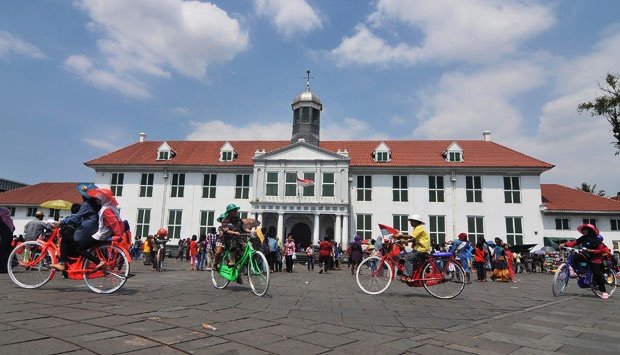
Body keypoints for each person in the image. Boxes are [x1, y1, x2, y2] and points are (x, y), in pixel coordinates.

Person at [51, 183, 100, 272]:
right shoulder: (94, 205)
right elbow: (77, 218)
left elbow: (76, 218)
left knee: (65, 239)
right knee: (74, 244)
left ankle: (62, 263)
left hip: (86, 231)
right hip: (92, 229)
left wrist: (61, 222)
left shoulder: (86, 204)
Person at [560, 223, 611, 299]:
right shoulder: (583, 238)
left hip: (595, 259)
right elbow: (573, 243)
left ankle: (604, 291)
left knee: (596, 273)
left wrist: (591, 250)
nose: (582, 231)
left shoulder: (596, 239)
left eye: (584, 229)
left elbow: (601, 250)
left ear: (590, 230)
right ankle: (573, 271)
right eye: (582, 230)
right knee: (574, 257)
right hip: (586, 256)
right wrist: (564, 244)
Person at [398, 214, 431, 282]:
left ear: (417, 222)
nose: (410, 223)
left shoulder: (419, 228)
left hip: (421, 249)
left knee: (408, 258)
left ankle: (408, 276)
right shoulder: (416, 228)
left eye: (412, 221)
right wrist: (406, 241)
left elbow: (411, 236)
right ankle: (412, 274)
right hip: (419, 248)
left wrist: (400, 236)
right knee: (410, 258)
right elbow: (414, 239)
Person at [0, 207, 15, 273]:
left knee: (3, 253)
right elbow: (13, 228)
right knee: (6, 253)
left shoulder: (2, 220)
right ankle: (5, 268)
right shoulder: (9, 220)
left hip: (3, 238)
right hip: (9, 237)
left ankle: (2, 269)